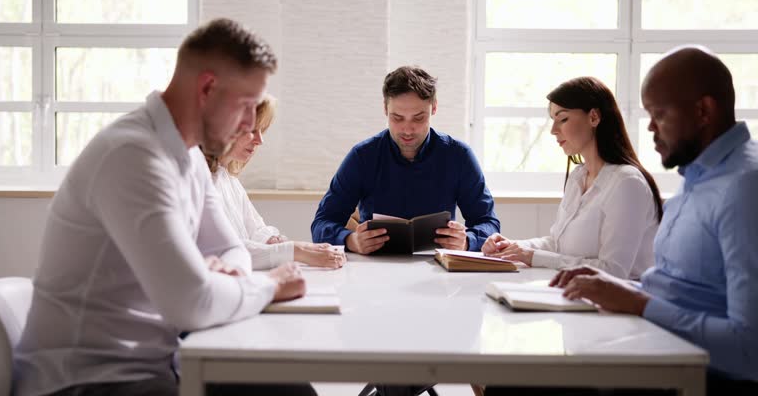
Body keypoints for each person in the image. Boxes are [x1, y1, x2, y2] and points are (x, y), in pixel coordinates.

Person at [14, 19, 315, 396]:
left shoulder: (189, 156)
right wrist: (268, 285)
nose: (250, 125)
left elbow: (228, 249)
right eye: (247, 106)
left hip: (157, 365)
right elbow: (192, 303)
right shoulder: (132, 155)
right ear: (207, 88)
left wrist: (224, 278)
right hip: (87, 382)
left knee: (286, 387)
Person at [495, 46, 758, 395]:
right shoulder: (699, 178)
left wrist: (637, 301)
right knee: (509, 370)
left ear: (703, 110)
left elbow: (749, 350)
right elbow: (674, 288)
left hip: (682, 369)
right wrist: (617, 289)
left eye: (659, 114)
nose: (649, 127)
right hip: (649, 339)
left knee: (512, 382)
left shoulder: (743, 188)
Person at [482, 77, 662, 279]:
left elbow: (613, 270)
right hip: (579, 294)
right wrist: (513, 247)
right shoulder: (578, 176)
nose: (553, 130)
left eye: (563, 119)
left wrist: (532, 256)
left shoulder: (627, 183)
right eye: (553, 120)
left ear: (594, 117)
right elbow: (558, 244)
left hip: (619, 303)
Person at [311, 66, 499, 254]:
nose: (407, 130)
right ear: (385, 109)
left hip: (439, 270)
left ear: (433, 107)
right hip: (373, 270)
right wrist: (351, 240)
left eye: (418, 118)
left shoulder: (459, 156)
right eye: (397, 118)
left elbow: (489, 223)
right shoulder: (363, 156)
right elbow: (321, 223)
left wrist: (466, 241)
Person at [205, 95, 346, 270]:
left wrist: (279, 242)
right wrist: (297, 250)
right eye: (253, 130)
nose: (259, 140)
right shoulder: (201, 182)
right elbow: (227, 250)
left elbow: (255, 230)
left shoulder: (228, 180)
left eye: (262, 131)